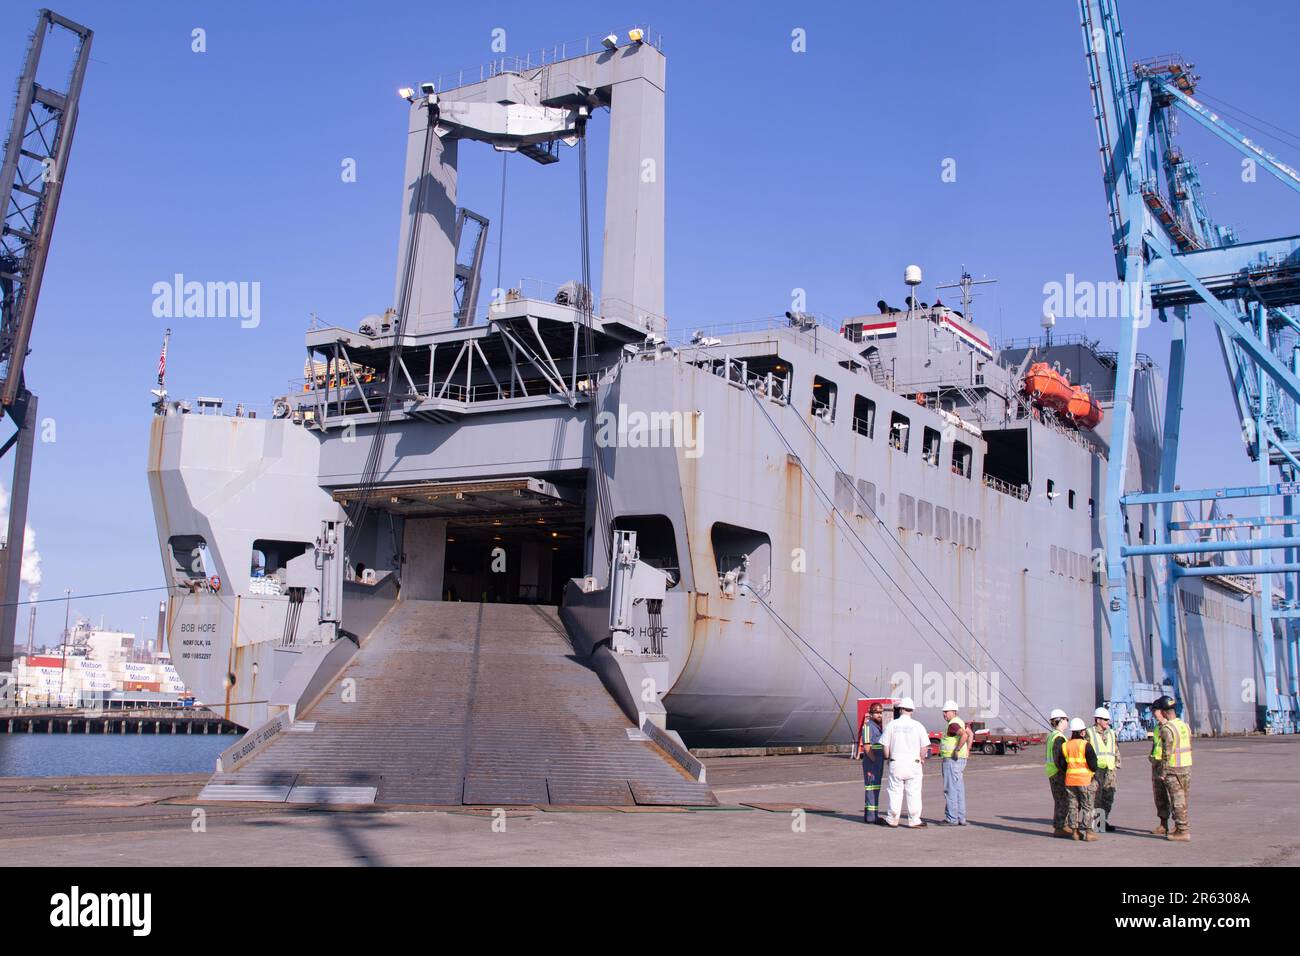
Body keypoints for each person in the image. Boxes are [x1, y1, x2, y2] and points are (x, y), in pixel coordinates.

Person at [880, 696, 929, 828]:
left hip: (896, 761)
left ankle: (892, 819)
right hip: (913, 762)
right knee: (914, 791)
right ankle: (914, 820)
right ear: (912, 710)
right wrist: (921, 758)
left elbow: (885, 746)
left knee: (895, 791)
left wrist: (888, 758)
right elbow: (924, 747)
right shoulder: (918, 726)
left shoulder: (892, 725)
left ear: (900, 709)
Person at [1151, 695, 1193, 841]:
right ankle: (1179, 828)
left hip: (1173, 769)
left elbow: (1166, 753)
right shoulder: (1184, 725)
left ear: (1163, 712)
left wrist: (1163, 771)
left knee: (1177, 800)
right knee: (1182, 799)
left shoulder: (1167, 728)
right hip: (1186, 766)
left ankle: (1183, 831)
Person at [1056, 717, 1099, 841]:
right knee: (1087, 806)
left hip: (1070, 780)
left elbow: (1061, 764)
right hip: (1085, 780)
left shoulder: (1065, 745)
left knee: (1073, 806)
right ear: (1082, 732)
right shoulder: (1085, 745)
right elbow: (1093, 764)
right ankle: (1089, 833)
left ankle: (1075, 832)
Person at [939, 699, 973, 826]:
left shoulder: (953, 724)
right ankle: (961, 817)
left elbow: (964, 735)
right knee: (959, 789)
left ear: (954, 712)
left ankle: (951, 818)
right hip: (960, 760)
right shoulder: (961, 722)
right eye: (944, 712)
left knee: (950, 789)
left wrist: (957, 749)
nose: (944, 714)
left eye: (946, 712)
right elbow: (971, 734)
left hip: (952, 760)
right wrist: (967, 750)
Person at [1086, 706, 1120, 832]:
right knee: (1095, 797)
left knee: (1109, 796)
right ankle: (1094, 822)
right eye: (1105, 719)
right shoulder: (1089, 733)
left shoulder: (1111, 732)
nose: (1107, 722)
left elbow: (1115, 748)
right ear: (1098, 720)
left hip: (1110, 769)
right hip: (1096, 770)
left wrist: (1117, 763)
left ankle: (1102, 821)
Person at [1045, 708, 1071, 838]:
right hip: (1058, 773)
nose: (1067, 722)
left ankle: (1060, 826)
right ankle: (1060, 827)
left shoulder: (1051, 735)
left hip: (1052, 772)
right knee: (1062, 800)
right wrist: (1066, 771)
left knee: (1059, 800)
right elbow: (1059, 758)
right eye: (1067, 719)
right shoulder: (1058, 738)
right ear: (1060, 721)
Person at [859, 701, 886, 824]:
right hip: (872, 763)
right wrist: (875, 760)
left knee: (876, 788)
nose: (879, 715)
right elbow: (867, 747)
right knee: (871, 788)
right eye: (877, 713)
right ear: (871, 714)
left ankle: (873, 815)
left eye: (881, 713)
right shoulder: (868, 726)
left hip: (878, 762)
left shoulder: (878, 727)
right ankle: (870, 817)